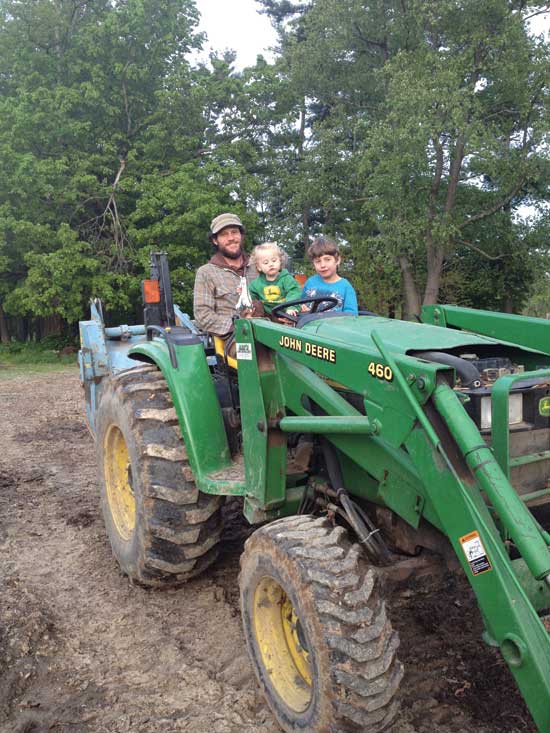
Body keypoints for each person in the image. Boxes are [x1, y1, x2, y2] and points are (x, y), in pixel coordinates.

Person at [193, 212, 260, 338]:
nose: (231, 238)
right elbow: (203, 316)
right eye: (224, 234)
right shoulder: (206, 272)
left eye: (234, 232)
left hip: (270, 333)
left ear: (241, 235)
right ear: (215, 240)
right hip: (234, 339)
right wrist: (239, 327)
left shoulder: (260, 266)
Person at [302, 236, 358, 315]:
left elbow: (352, 315)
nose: (322, 265)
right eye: (318, 261)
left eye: (327, 259)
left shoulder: (346, 286)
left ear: (337, 260)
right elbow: (300, 304)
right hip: (308, 325)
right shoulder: (310, 282)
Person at [248, 242, 303, 316]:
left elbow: (294, 292)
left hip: (285, 311)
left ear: (280, 261)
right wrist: (244, 294)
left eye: (274, 261)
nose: (271, 264)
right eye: (266, 263)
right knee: (256, 305)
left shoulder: (286, 279)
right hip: (266, 313)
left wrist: (291, 307)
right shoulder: (255, 284)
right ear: (258, 267)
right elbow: (251, 297)